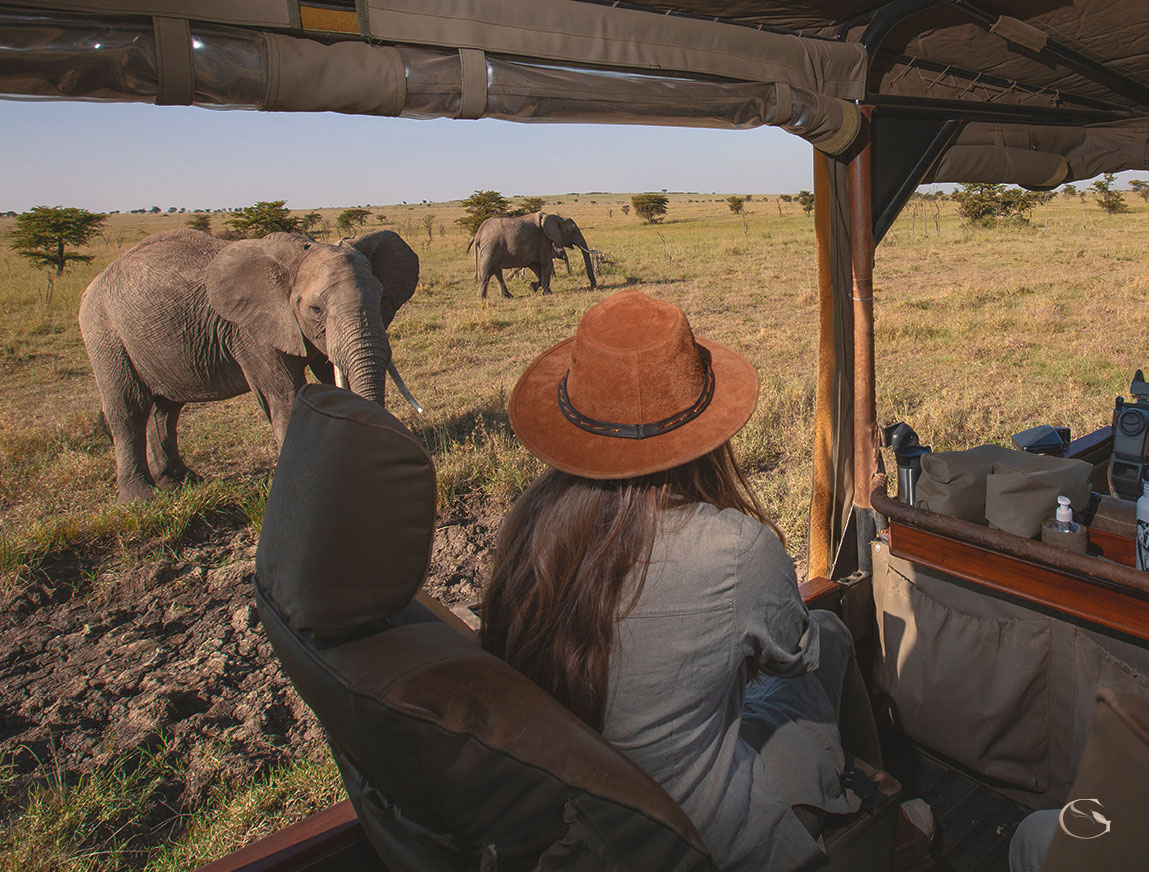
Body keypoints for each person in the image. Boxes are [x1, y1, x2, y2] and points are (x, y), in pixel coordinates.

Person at [481, 290, 868, 871]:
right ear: (706, 428)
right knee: (831, 635)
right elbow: (794, 659)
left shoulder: (528, 529)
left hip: (587, 833)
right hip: (695, 838)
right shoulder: (738, 547)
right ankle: (880, 808)